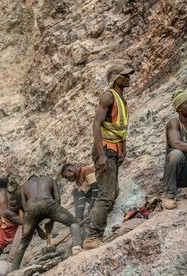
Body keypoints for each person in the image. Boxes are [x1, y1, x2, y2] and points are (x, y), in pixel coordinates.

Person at [84, 63, 134, 250]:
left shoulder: (121, 98)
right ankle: (92, 237)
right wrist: (101, 153)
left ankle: (98, 230)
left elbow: (120, 129)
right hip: (106, 150)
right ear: (115, 78)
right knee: (106, 195)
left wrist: (124, 148)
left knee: (113, 192)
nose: (129, 78)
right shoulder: (108, 96)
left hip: (114, 149)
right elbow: (96, 124)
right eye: (125, 75)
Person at [11, 175, 82, 270]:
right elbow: (57, 199)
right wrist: (52, 220)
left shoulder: (24, 186)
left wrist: (37, 228)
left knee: (23, 242)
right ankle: (77, 248)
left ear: (29, 180)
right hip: (47, 203)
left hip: (30, 209)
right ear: (38, 177)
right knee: (73, 222)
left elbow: (25, 208)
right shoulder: (49, 179)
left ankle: (13, 270)